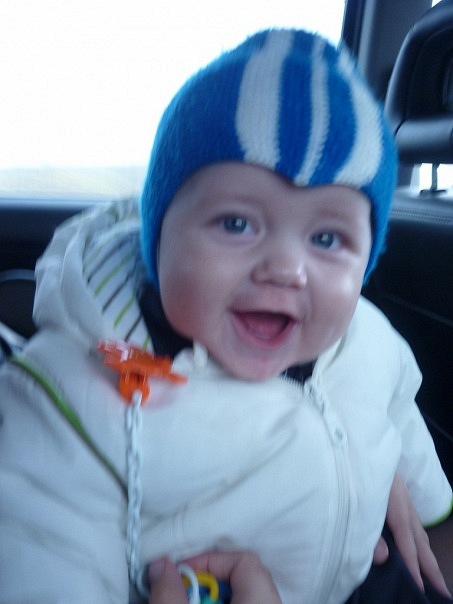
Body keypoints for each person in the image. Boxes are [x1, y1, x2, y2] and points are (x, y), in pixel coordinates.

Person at [0, 28, 452, 604]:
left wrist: (434, 510)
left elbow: (398, 420)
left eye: (327, 238)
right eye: (237, 224)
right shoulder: (73, 398)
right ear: (158, 238)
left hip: (365, 576)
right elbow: (43, 553)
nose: (287, 269)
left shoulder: (369, 340)